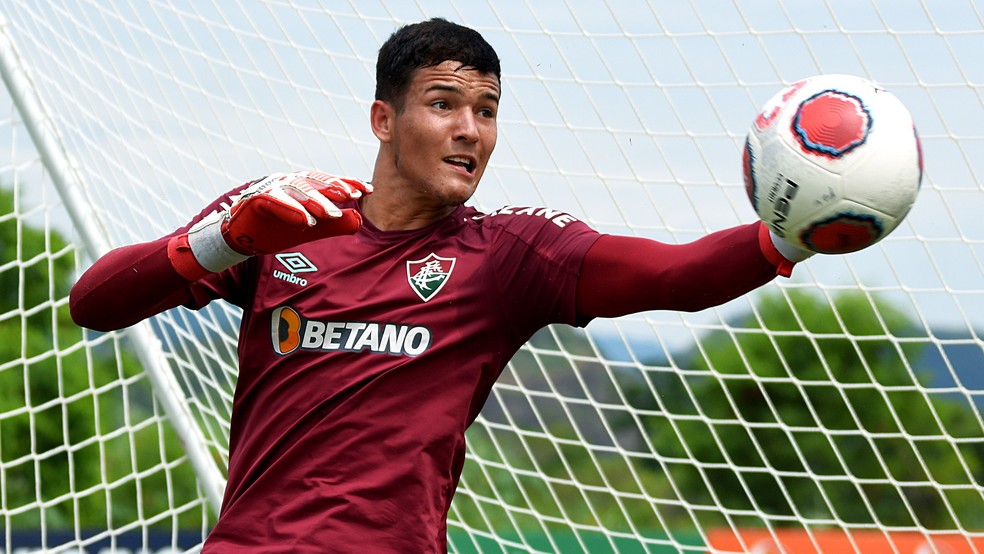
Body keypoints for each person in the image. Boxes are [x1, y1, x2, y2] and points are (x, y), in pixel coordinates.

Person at [70, 17, 811, 553]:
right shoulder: (286, 218)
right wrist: (221, 238)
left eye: (487, 111)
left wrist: (786, 231)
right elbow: (94, 303)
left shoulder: (508, 255)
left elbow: (676, 275)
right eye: (444, 103)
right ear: (382, 120)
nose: (471, 129)